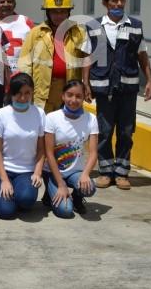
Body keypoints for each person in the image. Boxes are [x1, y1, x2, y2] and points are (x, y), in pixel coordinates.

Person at [82, 0, 151, 190]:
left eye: (121, 0)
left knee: (126, 131)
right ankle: (105, 172)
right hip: (103, 88)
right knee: (104, 131)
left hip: (128, 88)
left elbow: (143, 55)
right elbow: (87, 56)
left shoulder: (135, 25)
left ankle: (122, 172)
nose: (119, 4)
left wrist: (150, 79)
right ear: (105, 3)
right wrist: (85, 82)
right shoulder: (93, 26)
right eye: (114, 1)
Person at [18, 0, 87, 113]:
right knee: (43, 129)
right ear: (48, 13)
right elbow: (25, 63)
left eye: (63, 12)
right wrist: (26, 89)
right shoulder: (36, 33)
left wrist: (86, 85)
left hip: (69, 91)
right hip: (43, 92)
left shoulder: (79, 32)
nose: (59, 16)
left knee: (67, 128)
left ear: (69, 13)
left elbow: (88, 60)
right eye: (54, 12)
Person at [0, 73, 45, 220]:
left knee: (26, 200)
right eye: (18, 93)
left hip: (27, 172)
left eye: (27, 93)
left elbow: (41, 149)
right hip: (4, 169)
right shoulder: (0, 115)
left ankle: (16, 194)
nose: (23, 98)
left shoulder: (39, 113)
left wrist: (37, 173)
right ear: (11, 93)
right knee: (5, 212)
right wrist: (5, 180)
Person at [44, 80, 98, 217]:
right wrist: (61, 185)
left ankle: (77, 198)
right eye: (69, 95)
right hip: (54, 172)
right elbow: (49, 154)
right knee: (66, 211)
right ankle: (50, 193)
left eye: (78, 96)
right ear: (63, 96)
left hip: (75, 173)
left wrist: (85, 174)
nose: (73, 100)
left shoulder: (91, 119)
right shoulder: (52, 118)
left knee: (89, 188)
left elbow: (93, 153)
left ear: (84, 97)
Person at [0, 0, 34, 74]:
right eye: (2, 2)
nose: (6, 4)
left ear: (14, 5)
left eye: (9, 1)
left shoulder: (25, 21)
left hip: (21, 73)